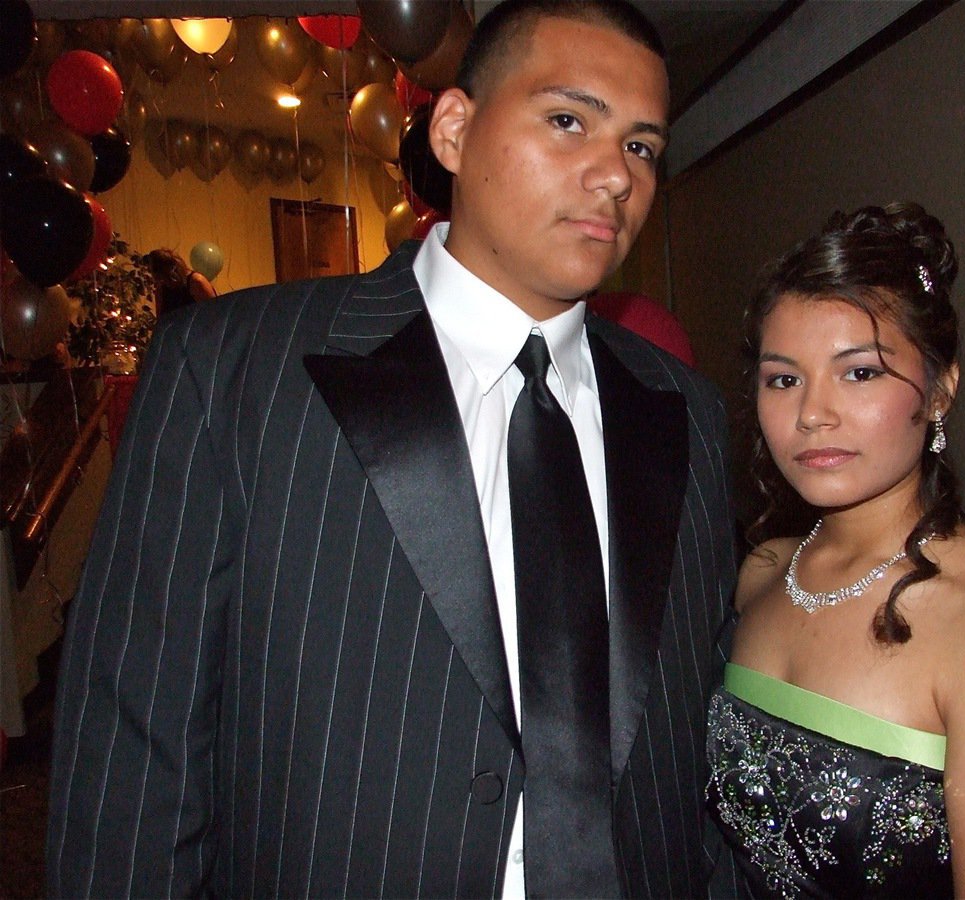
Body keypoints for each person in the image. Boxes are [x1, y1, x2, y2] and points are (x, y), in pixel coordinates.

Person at [47, 2, 738, 897]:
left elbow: (706, 731)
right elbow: (132, 743)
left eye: (642, 148)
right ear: (453, 129)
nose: (615, 176)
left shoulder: (688, 409)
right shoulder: (232, 369)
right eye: (569, 121)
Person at [707, 202, 965, 897]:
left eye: (859, 372)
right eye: (783, 378)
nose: (812, 412)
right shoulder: (765, 572)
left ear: (942, 389)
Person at [144, 248, 217, 318]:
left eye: (166, 279)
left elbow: (214, 312)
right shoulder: (161, 289)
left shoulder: (196, 282)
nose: (166, 283)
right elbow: (161, 321)